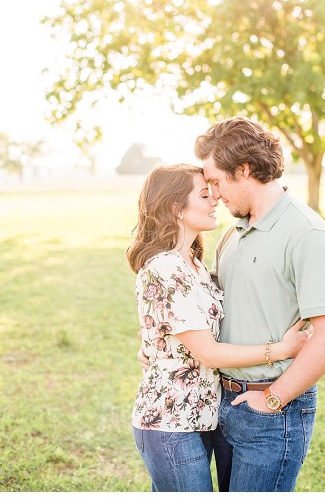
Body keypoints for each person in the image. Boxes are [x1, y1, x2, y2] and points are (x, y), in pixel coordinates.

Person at [127, 164, 312, 492]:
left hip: (204, 416)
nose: (215, 199)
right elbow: (208, 353)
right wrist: (282, 349)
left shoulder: (194, 265)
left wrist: (153, 344)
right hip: (169, 421)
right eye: (203, 194)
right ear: (175, 207)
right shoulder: (164, 269)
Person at [194, 117, 325, 491]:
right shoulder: (233, 232)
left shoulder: (308, 234)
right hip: (222, 402)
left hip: (271, 410)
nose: (212, 194)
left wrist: (273, 399)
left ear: (244, 169)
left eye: (215, 181)